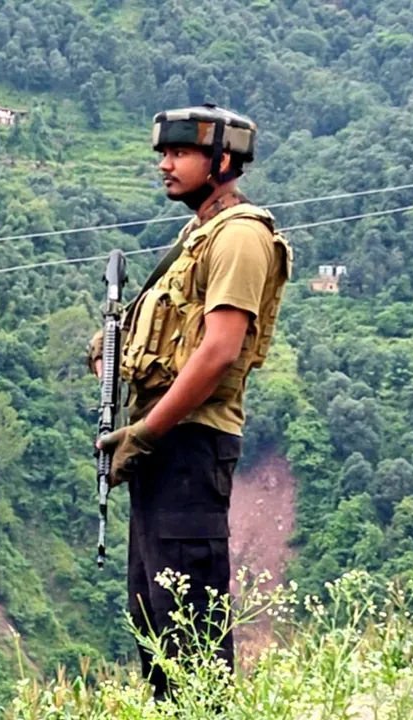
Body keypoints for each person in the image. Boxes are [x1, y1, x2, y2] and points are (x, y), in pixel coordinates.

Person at [87, 104, 292, 701]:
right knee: (155, 617)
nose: (164, 165)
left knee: (190, 622)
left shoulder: (241, 238)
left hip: (190, 444)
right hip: (163, 444)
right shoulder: (197, 236)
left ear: (222, 161)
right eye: (163, 154)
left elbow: (220, 350)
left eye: (179, 154)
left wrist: (145, 432)